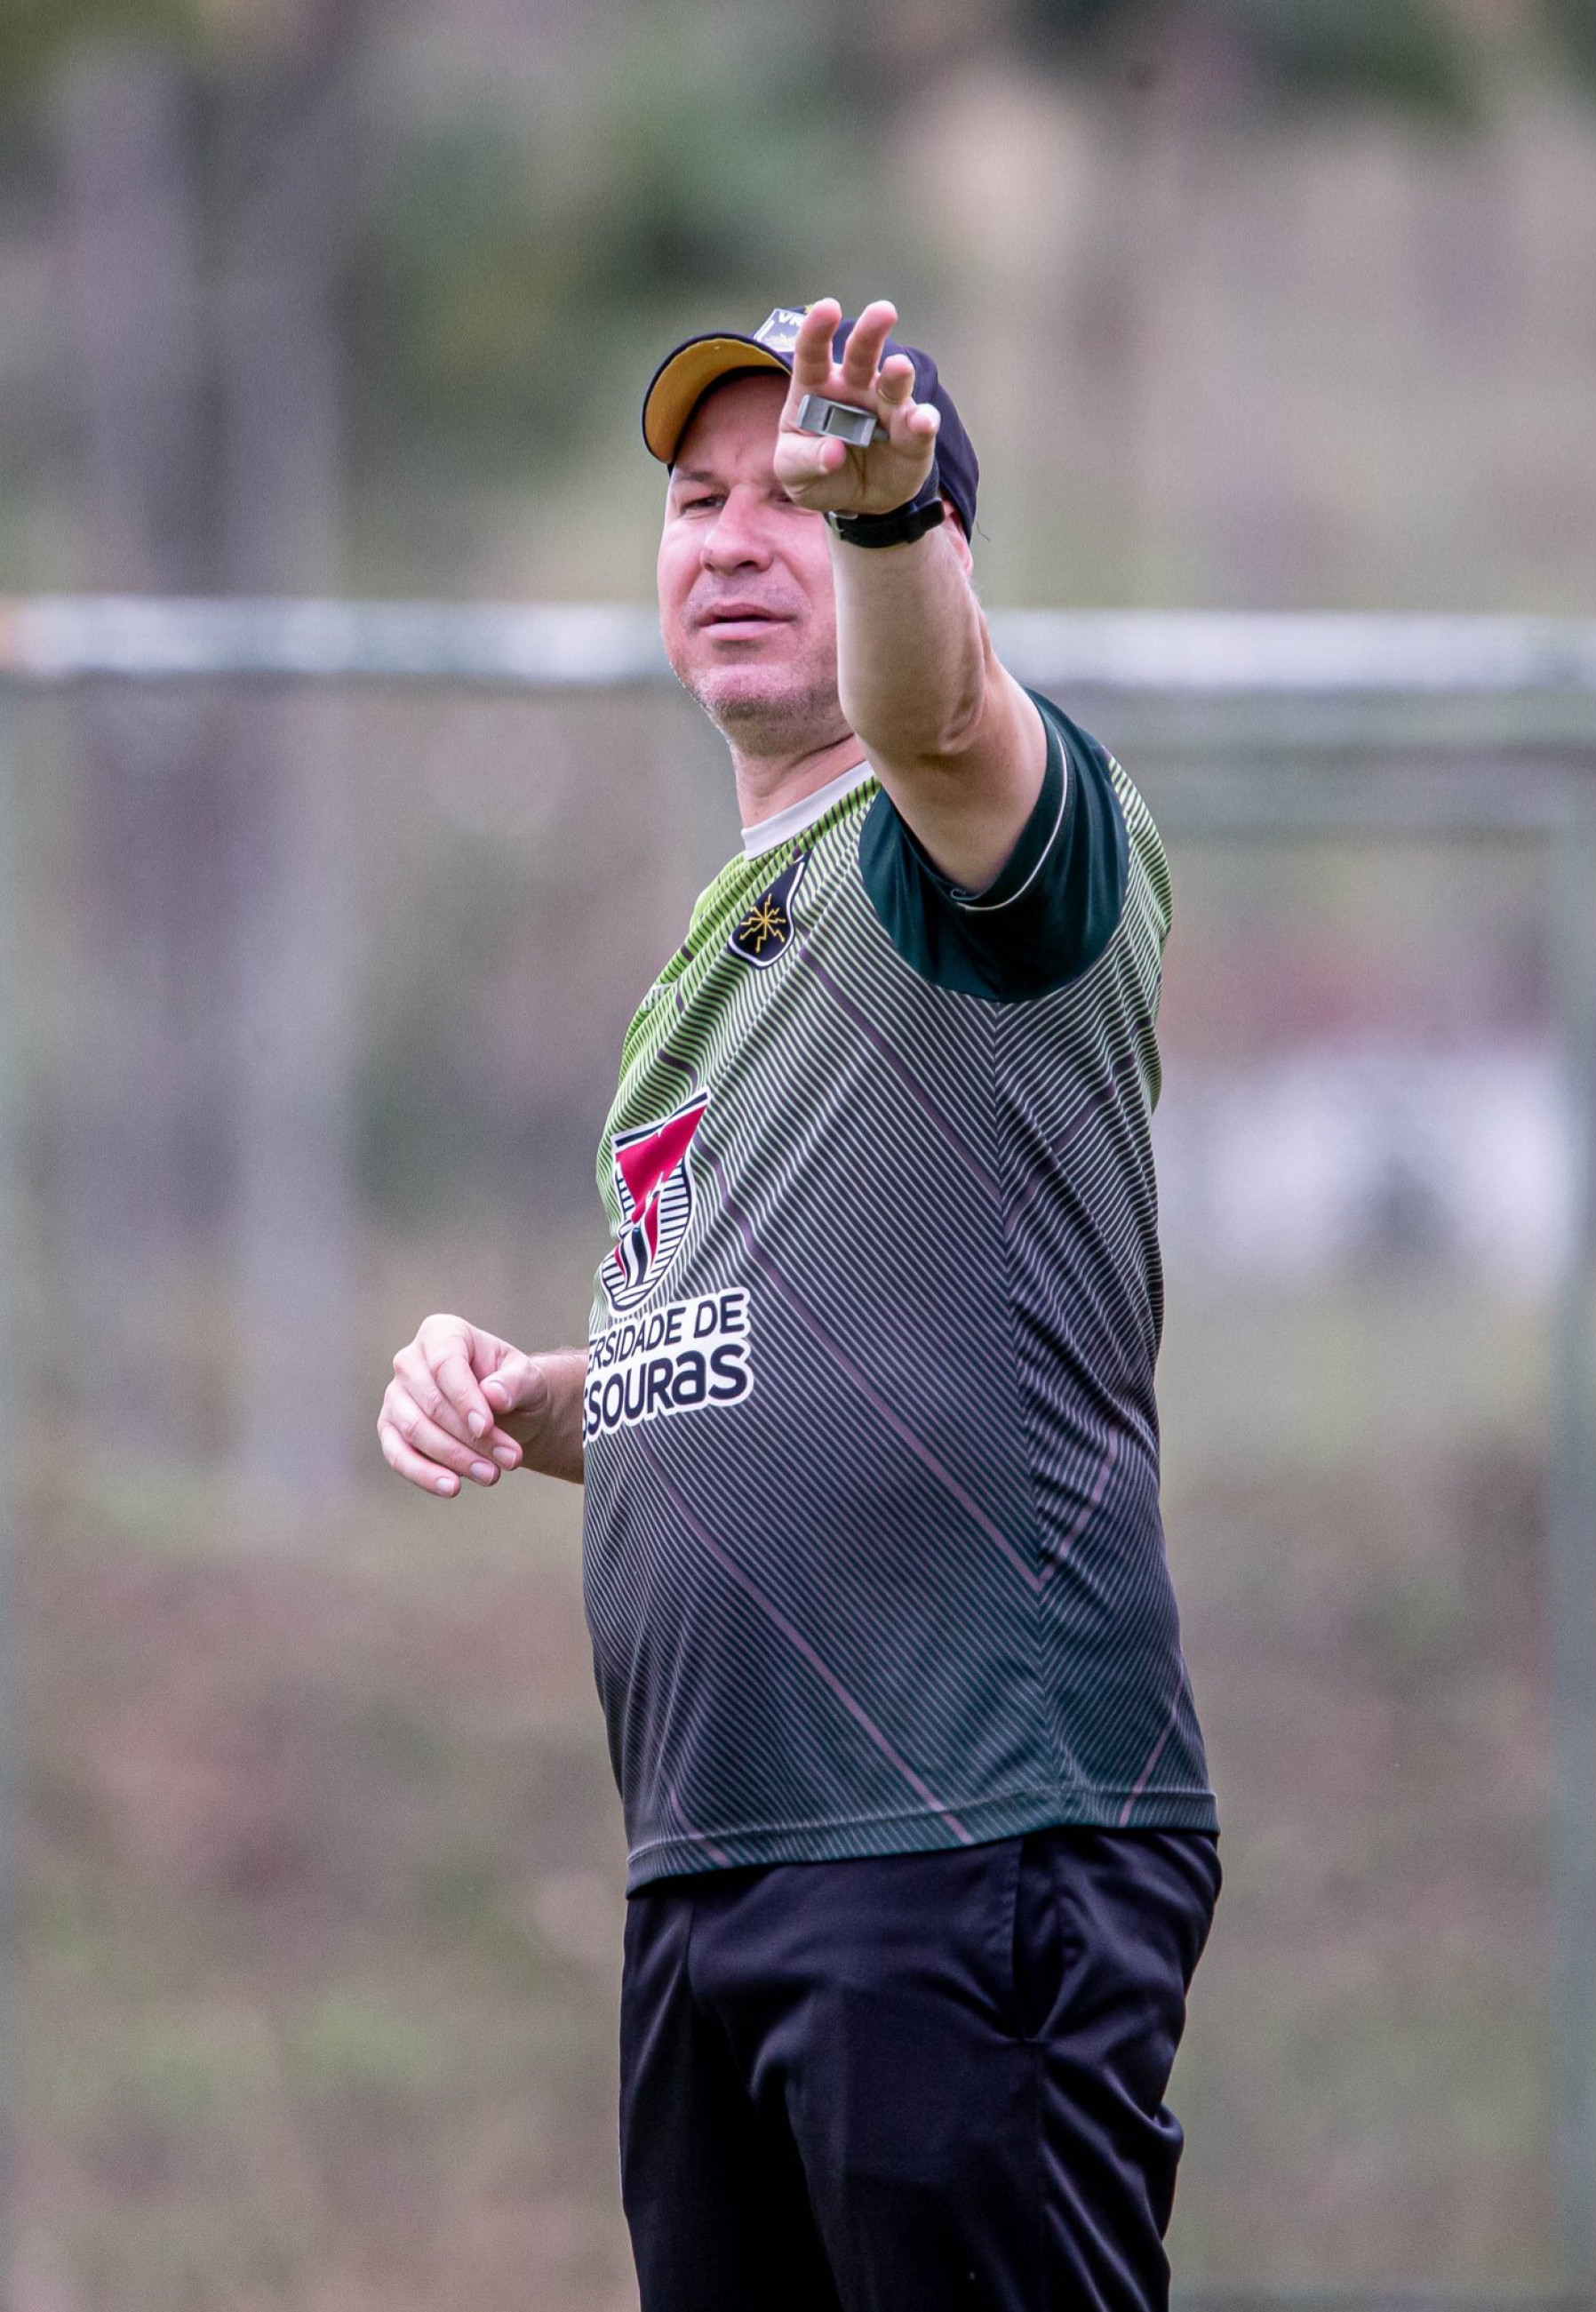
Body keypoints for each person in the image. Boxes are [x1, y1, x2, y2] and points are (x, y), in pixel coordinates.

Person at [378, 296, 1221, 2311]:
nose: (737, 535)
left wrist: (893, 511)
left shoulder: (975, 847)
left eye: (799, 495)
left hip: (962, 1827)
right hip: (717, 1856)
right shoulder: (727, 942)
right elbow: (765, 1352)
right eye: (695, 499)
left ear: (913, 542)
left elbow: (936, 716)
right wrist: (536, 1393)